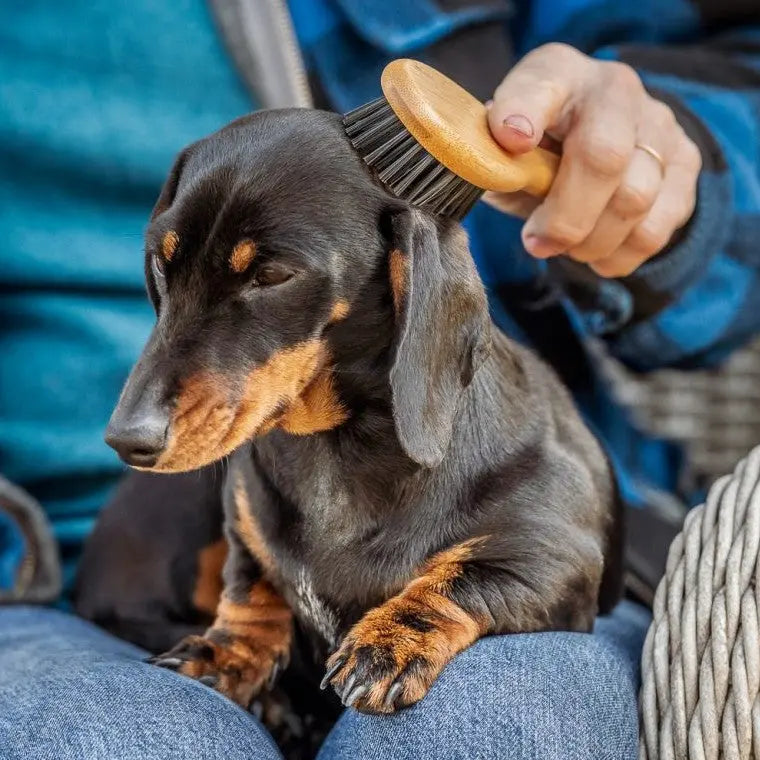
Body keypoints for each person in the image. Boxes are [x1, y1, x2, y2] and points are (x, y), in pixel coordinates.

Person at [1, 0, 758, 758]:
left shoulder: (412, 270)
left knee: (493, 727)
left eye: (268, 275)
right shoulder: (254, 460)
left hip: (503, 529)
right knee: (120, 739)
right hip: (60, 578)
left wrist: (668, 181)